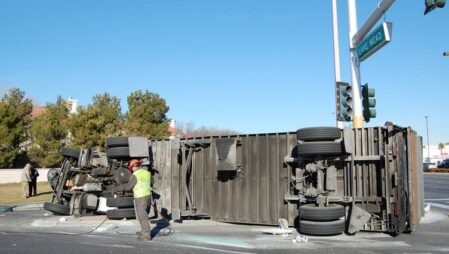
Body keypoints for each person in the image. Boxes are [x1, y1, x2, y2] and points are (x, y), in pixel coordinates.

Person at [124, 159, 152, 241]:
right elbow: (150, 183)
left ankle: (146, 235)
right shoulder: (148, 173)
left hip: (140, 198)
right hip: (148, 196)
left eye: (131, 168)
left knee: (142, 216)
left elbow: (129, 187)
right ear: (139, 165)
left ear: (133, 167)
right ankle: (144, 231)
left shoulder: (135, 175)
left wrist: (123, 187)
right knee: (145, 214)